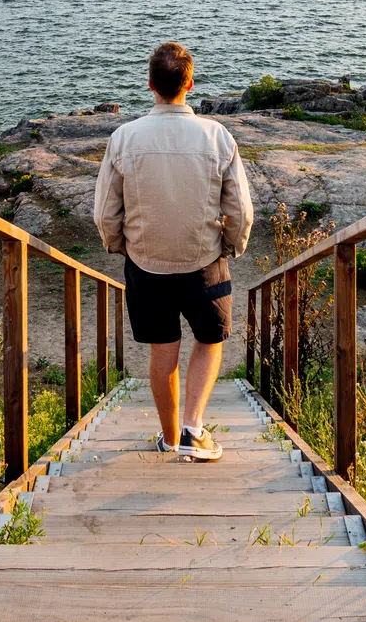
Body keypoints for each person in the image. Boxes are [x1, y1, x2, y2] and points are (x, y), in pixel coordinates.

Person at [94, 41, 253, 461]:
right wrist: (232, 245)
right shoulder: (217, 136)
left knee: (163, 350)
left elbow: (106, 212)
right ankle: (193, 429)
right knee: (210, 338)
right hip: (204, 262)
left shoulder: (123, 138)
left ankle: (168, 438)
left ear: (150, 84)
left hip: (146, 266)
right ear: (190, 83)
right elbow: (240, 209)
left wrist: (119, 245)